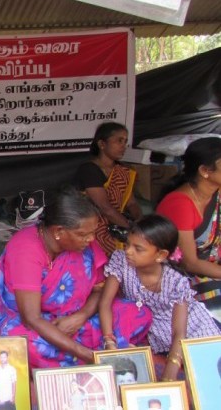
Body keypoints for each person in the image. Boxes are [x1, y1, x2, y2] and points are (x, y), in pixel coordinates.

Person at [0, 187, 151, 368]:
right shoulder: (25, 248)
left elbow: (100, 289)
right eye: (83, 234)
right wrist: (88, 355)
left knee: (139, 313)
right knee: (22, 345)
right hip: (34, 323)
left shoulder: (84, 245)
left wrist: (80, 317)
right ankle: (97, 352)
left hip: (77, 317)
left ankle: (83, 354)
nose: (91, 239)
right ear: (58, 231)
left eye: (93, 232)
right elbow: (31, 318)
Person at [99, 215, 221, 381]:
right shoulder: (121, 261)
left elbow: (179, 333)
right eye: (127, 244)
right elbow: (105, 303)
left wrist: (169, 375)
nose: (128, 251)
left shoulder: (175, 282)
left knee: (206, 377)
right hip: (155, 330)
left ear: (161, 255)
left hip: (192, 330)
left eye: (138, 248)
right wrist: (109, 341)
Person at [156, 137, 221, 322]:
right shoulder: (179, 204)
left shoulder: (216, 194)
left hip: (211, 269)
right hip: (182, 277)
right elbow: (189, 263)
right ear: (205, 171)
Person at [74, 122, 142, 255]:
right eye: (119, 141)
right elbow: (105, 208)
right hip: (93, 229)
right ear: (102, 144)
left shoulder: (123, 171)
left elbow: (131, 203)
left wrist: (139, 220)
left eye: (125, 141)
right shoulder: (89, 170)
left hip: (118, 226)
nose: (123, 146)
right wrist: (132, 229)